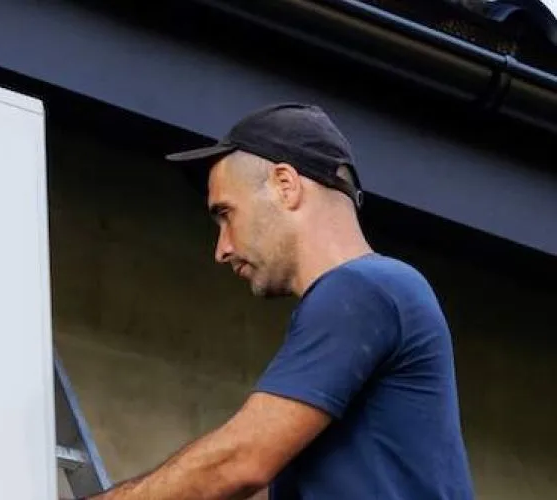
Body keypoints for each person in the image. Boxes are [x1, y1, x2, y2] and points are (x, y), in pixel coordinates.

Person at [85, 103, 474, 499]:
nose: (222, 248)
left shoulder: (363, 288)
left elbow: (239, 463)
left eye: (226, 214)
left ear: (285, 185)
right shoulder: (373, 296)